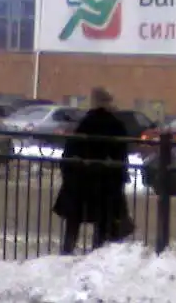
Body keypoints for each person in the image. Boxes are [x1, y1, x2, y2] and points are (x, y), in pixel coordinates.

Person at [53, 87, 133, 254]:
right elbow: (121, 156)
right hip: (106, 183)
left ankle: (67, 251)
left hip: (80, 182)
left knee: (73, 222)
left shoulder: (83, 124)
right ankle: (97, 254)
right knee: (102, 222)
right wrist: (119, 179)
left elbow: (69, 154)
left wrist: (69, 174)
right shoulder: (116, 125)